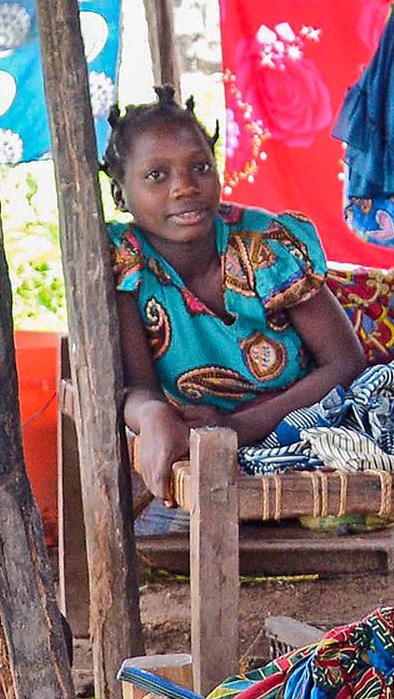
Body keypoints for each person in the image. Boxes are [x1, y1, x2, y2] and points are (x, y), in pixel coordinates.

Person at [105, 96, 372, 505]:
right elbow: (139, 387)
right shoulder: (127, 267)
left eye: (200, 168)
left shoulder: (264, 246)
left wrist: (234, 428)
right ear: (120, 195)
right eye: (157, 175)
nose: (185, 187)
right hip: (225, 425)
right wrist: (153, 415)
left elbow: (346, 362)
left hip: (371, 320)